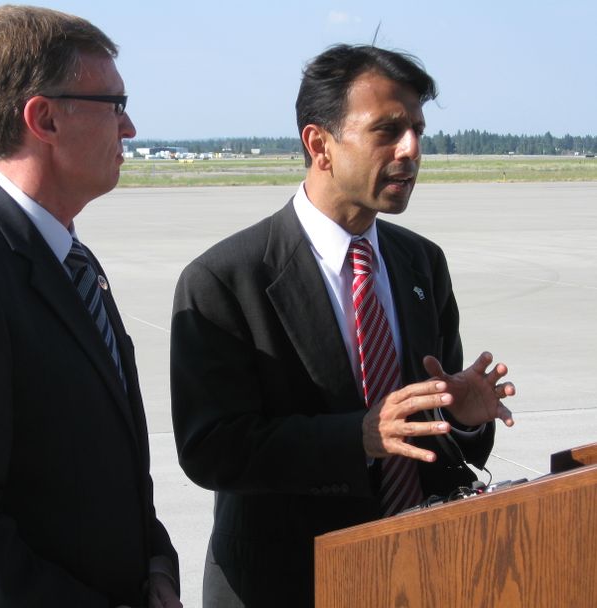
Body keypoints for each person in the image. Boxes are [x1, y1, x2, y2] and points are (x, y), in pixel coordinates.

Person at [170, 44, 516, 608]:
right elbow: (211, 450)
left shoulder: (421, 263)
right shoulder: (225, 279)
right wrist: (355, 437)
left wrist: (462, 416)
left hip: (418, 574)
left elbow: (428, 437)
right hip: (286, 584)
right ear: (319, 144)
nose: (411, 149)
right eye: (388, 130)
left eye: (418, 131)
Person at [0, 6, 181, 607]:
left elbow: (110, 464)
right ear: (43, 118)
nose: (128, 128)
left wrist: (155, 564)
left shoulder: (71, 260)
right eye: (114, 105)